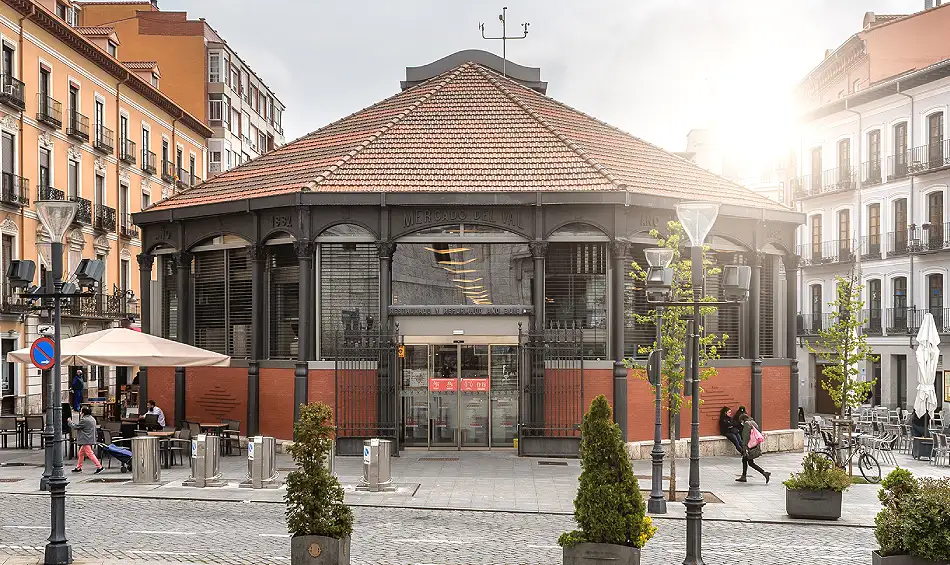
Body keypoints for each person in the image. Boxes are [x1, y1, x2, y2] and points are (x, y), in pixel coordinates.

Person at [736, 413, 770, 484]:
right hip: (754, 445)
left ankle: (764, 473)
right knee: (746, 461)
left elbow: (746, 436)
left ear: (742, 420)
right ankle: (744, 476)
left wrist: (744, 447)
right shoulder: (753, 423)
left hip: (749, 446)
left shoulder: (747, 424)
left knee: (749, 462)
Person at [68, 407, 103, 474]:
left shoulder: (84, 420)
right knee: (80, 453)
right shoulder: (92, 418)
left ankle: (99, 466)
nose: (80, 412)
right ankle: (78, 467)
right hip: (89, 438)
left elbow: (76, 427)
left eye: (81, 411)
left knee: (90, 453)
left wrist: (70, 422)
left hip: (86, 439)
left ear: (83, 412)